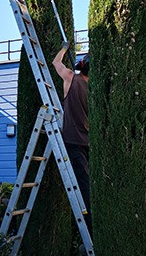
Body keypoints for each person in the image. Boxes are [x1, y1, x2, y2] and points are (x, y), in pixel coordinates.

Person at [52, 42, 92, 237]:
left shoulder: (70, 78)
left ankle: (90, 228)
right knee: (89, 182)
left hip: (72, 140)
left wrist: (64, 49)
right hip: (88, 141)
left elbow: (56, 63)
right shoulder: (92, 89)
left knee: (84, 185)